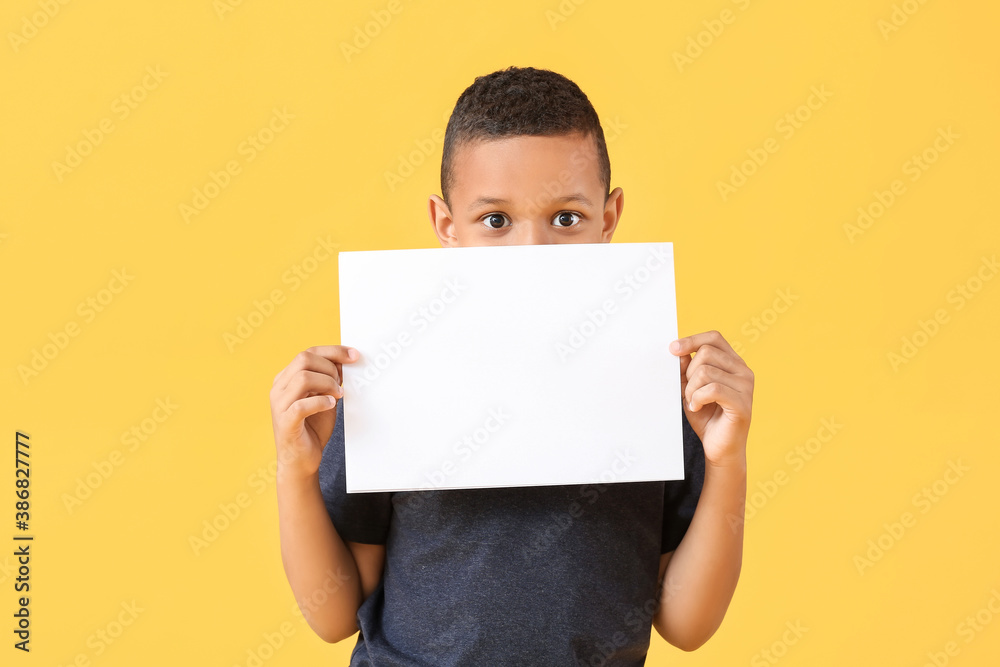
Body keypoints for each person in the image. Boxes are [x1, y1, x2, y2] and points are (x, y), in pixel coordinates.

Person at [270, 65, 754, 665]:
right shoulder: (390, 376)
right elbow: (334, 615)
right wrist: (294, 469)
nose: (532, 252)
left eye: (566, 219)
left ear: (609, 219)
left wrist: (726, 460)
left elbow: (687, 623)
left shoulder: (660, 386)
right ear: (447, 227)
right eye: (495, 220)